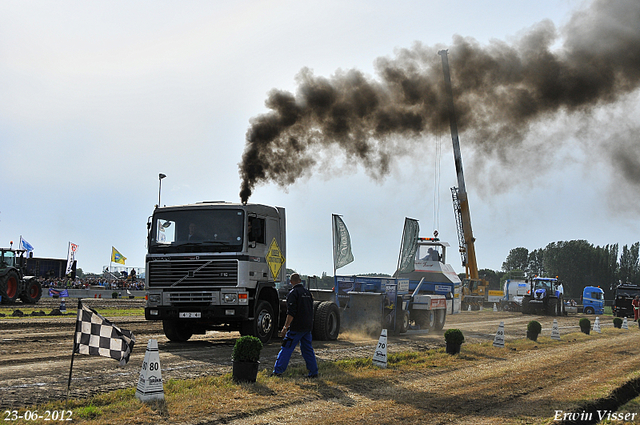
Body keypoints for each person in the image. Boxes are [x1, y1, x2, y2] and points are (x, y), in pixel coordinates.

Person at [272, 273, 318, 378]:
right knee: (307, 350)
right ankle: (314, 372)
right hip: (307, 327)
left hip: (296, 327)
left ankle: (278, 371)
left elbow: (291, 313)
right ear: (300, 280)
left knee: (286, 348)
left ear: (291, 282)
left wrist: (285, 327)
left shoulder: (293, 293)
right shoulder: (307, 293)